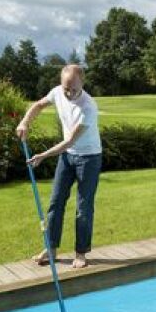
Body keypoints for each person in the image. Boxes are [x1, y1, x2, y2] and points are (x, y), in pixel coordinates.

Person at [16, 64, 102, 269]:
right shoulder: (57, 92)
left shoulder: (88, 107)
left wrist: (44, 155)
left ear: (83, 82)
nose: (69, 93)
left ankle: (81, 253)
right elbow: (37, 105)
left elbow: (70, 141)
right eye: (66, 88)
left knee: (83, 208)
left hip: (89, 158)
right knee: (55, 202)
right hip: (68, 157)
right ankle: (51, 248)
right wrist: (24, 122)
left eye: (74, 89)